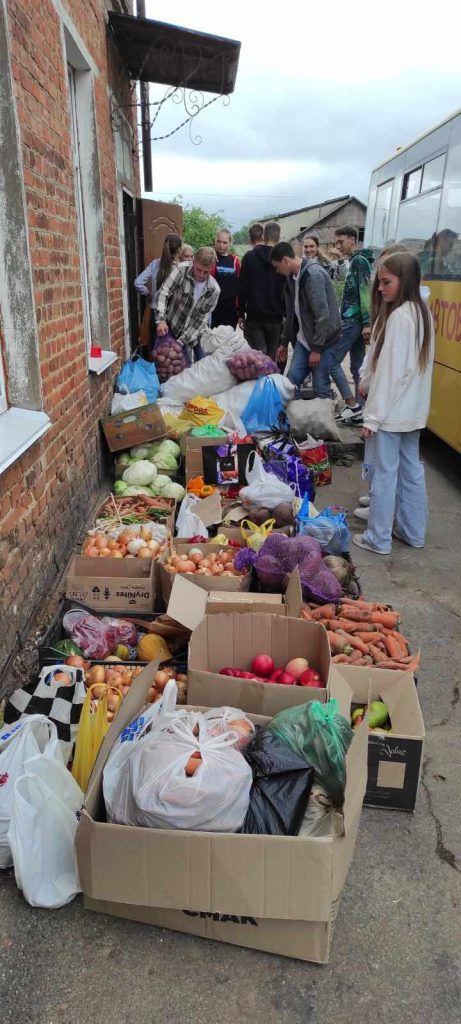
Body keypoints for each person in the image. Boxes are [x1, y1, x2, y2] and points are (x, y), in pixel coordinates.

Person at [352, 251, 434, 555]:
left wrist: (372, 417)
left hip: (391, 413)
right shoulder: (421, 312)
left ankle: (378, 538)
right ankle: (413, 532)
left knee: (385, 474)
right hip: (412, 411)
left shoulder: (400, 317)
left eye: (386, 282)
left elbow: (390, 374)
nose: (380, 288)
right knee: (411, 471)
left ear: (405, 280)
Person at [271, 241, 341, 397]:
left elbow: (322, 316)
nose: (277, 271)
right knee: (291, 382)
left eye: (277, 266)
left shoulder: (313, 275)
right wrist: (284, 342)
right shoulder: (291, 278)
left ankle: (326, 413)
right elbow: (291, 313)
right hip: (304, 340)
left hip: (324, 342)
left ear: (286, 261)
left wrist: (317, 349)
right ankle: (291, 413)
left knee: (320, 386)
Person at [324, 226, 374, 422]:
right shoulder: (354, 261)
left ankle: (352, 404)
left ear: (353, 240)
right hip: (356, 321)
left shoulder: (359, 261)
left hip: (353, 321)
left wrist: (367, 323)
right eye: (336, 242)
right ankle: (360, 411)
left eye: (341, 241)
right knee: (357, 367)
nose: (338, 246)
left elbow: (364, 291)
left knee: (331, 361)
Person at [154, 246, 220, 361]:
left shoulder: (214, 290)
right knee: (162, 362)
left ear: (212, 268)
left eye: (206, 272)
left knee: (189, 365)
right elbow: (164, 292)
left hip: (192, 334)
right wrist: (160, 320)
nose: (201, 274)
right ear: (193, 261)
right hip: (171, 327)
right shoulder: (181, 270)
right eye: (198, 269)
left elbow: (201, 320)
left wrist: (181, 342)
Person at [238, 220, 285, 361]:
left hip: (254, 317)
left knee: (257, 360)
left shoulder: (249, 257)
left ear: (263, 236)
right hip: (276, 318)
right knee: (272, 359)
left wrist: (241, 313)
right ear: (279, 238)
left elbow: (242, 287)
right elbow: (287, 291)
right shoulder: (283, 260)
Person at [134, 234, 182, 310]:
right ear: (179, 250)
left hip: (156, 310)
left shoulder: (155, 264)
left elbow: (138, 283)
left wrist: (148, 294)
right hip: (174, 312)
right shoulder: (182, 267)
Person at [211, 229, 240, 328]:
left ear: (230, 243)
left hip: (230, 309)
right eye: (218, 241)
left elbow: (239, 285)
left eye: (224, 242)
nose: (221, 245)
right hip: (213, 307)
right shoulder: (210, 257)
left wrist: (239, 308)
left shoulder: (234, 261)